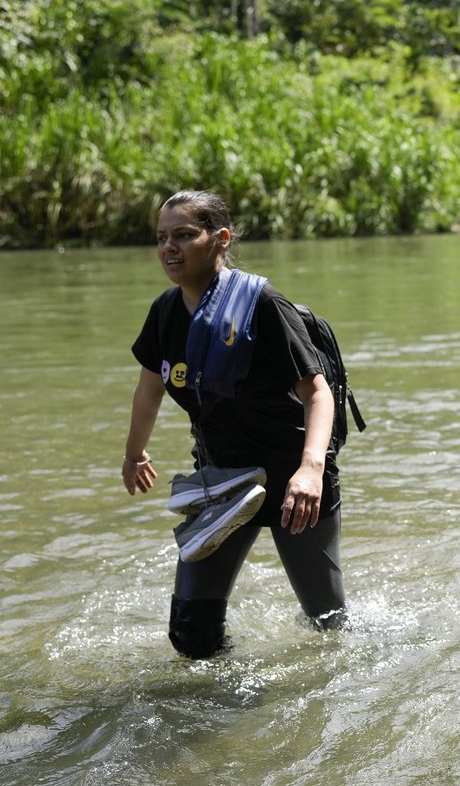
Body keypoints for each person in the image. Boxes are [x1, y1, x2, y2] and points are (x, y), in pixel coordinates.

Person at [121, 190, 346, 659]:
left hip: (293, 483)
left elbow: (317, 392)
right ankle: (224, 712)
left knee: (328, 626)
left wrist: (311, 471)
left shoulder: (263, 304)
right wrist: (134, 453)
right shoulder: (165, 312)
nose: (169, 248)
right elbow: (150, 389)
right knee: (191, 634)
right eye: (162, 238)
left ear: (220, 239)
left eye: (184, 235)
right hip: (224, 482)